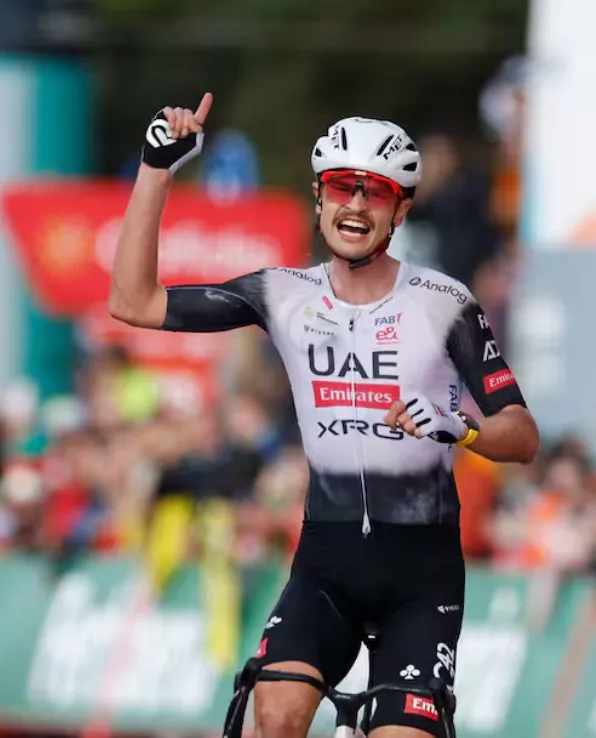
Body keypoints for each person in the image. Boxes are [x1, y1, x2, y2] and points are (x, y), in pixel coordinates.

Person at [108, 96, 540, 738]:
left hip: (421, 580)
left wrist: (464, 427)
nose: (356, 207)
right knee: (275, 712)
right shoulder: (283, 293)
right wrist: (156, 168)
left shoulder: (445, 303)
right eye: (342, 187)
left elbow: (524, 436)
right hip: (325, 569)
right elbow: (133, 301)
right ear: (319, 197)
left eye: (377, 192)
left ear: (401, 208)